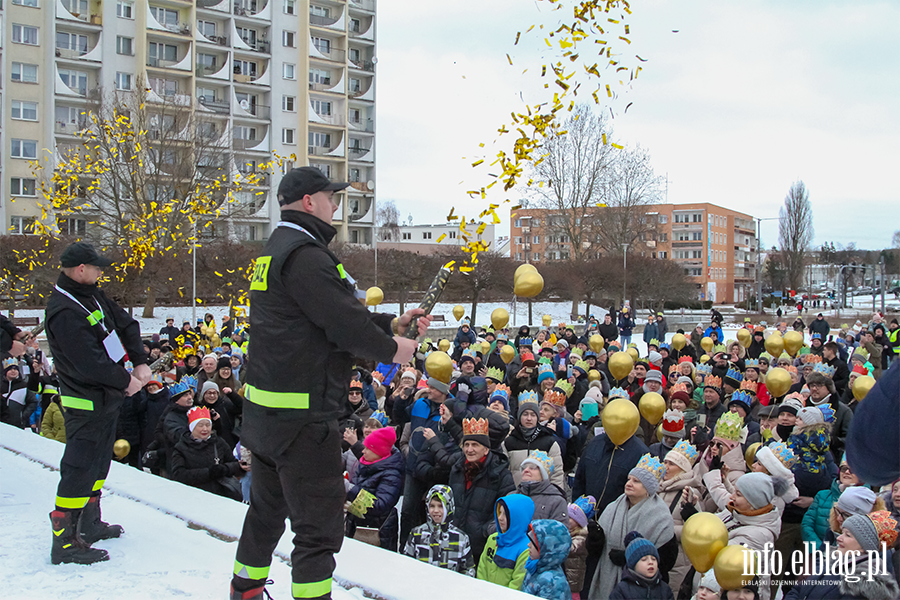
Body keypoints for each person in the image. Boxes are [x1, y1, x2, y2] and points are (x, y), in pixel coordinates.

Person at [231, 167, 428, 600]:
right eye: (331, 197)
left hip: (267, 415)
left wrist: (391, 323)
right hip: (303, 418)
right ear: (308, 202)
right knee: (318, 530)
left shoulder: (276, 250)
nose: (336, 205)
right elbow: (343, 324)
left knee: (265, 512)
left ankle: (244, 590)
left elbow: (322, 317)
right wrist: (395, 348)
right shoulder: (307, 255)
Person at [45, 242, 150, 565]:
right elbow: (87, 362)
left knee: (99, 463)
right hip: (86, 401)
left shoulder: (92, 295)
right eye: (96, 267)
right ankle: (64, 539)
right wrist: (125, 381)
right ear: (80, 270)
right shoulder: (63, 311)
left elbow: (124, 324)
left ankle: (89, 522)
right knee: (80, 466)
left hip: (107, 398)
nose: (100, 271)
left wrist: (140, 360)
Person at [588, 453, 677, 600]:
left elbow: (667, 560)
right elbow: (596, 552)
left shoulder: (661, 517)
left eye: (636, 481)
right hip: (606, 579)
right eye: (629, 479)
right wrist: (594, 540)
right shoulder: (613, 508)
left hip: (642, 590)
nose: (629, 483)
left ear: (648, 488)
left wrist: (631, 558)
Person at [449, 417, 516, 562]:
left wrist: (484, 531)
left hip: (482, 546)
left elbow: (505, 508)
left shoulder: (500, 474)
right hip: (454, 542)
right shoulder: (457, 470)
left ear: (486, 449)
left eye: (475, 445)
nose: (469, 449)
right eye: (466, 444)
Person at [344, 427, 403, 551]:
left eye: (367, 448)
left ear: (378, 452)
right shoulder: (366, 463)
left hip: (378, 533)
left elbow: (379, 505)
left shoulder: (392, 474)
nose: (363, 451)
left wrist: (350, 489)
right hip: (358, 527)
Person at [170, 406, 247, 501]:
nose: (205, 429)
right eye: (200, 425)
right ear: (192, 427)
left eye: (208, 425)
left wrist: (224, 469)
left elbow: (234, 464)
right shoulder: (181, 447)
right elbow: (178, 475)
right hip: (193, 497)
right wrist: (209, 473)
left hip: (221, 495)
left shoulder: (218, 442)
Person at [404, 484, 475, 576]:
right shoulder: (417, 534)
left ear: (449, 507)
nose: (436, 510)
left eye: (441, 506)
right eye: (432, 506)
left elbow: (468, 570)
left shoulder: (461, 538)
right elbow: (406, 564)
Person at [477, 494, 535, 589]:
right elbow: (482, 569)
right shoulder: (493, 538)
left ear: (518, 517)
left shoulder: (526, 548)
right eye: (499, 512)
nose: (500, 517)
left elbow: (517, 584)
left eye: (506, 514)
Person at [608, 532, 674, 600]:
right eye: (644, 559)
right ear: (633, 564)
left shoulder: (664, 589)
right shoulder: (622, 590)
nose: (650, 562)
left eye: (654, 559)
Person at [522, 519, 572, 600]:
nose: (528, 545)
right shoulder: (535, 566)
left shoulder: (552, 583)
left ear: (548, 548)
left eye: (534, 542)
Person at [516, 450, 568, 523]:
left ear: (543, 474)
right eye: (524, 467)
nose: (526, 470)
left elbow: (559, 532)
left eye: (532, 467)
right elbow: (496, 525)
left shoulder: (556, 502)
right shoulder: (512, 496)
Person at [565, 496, 594, 600]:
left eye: (570, 518)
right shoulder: (569, 533)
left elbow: (571, 549)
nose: (566, 520)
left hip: (573, 583)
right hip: (566, 578)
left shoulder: (582, 538)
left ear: (579, 522)